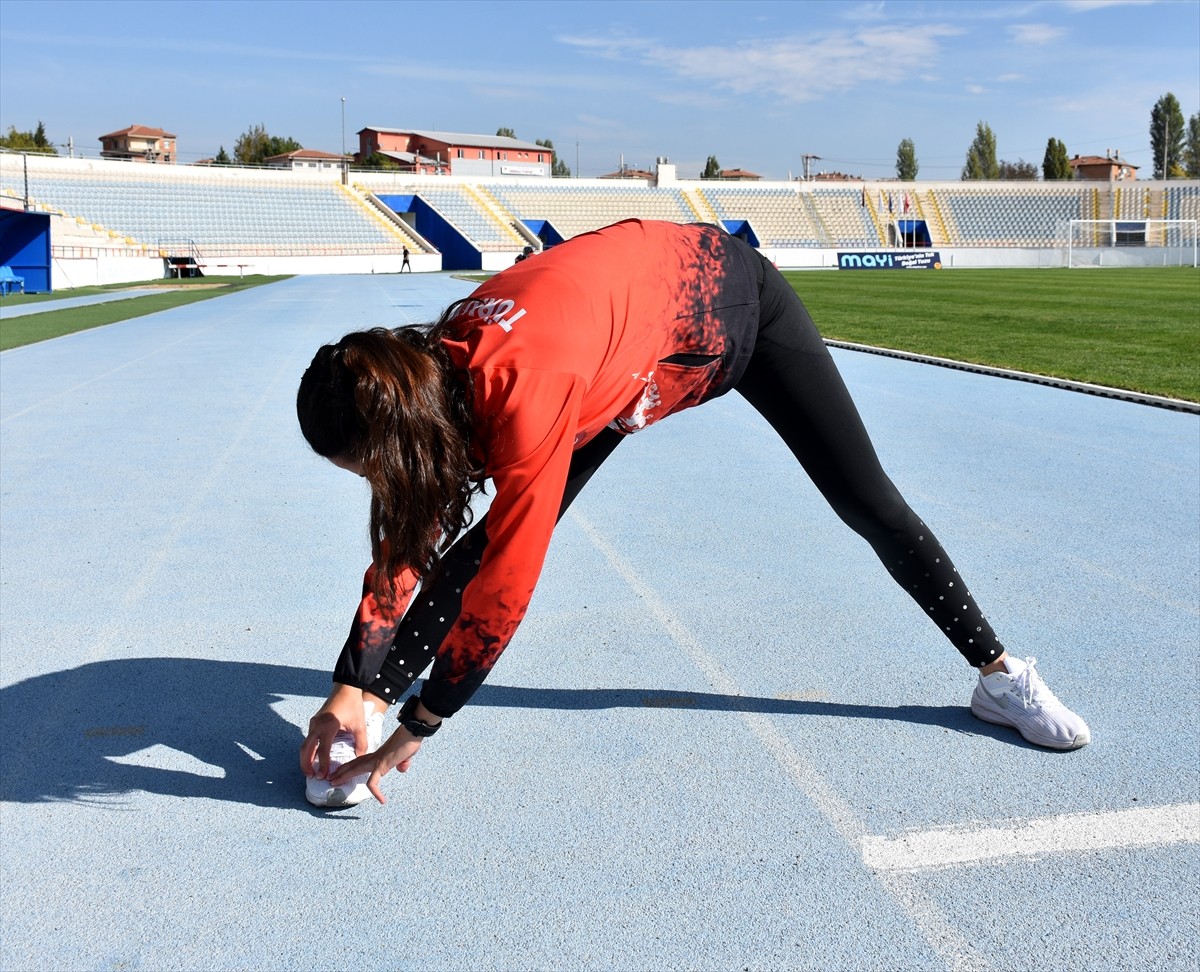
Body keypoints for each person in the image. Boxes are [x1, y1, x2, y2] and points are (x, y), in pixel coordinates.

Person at [296, 219, 1090, 809]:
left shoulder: (522, 396)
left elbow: (507, 587)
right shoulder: (426, 379)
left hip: (735, 306)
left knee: (867, 501)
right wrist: (352, 686)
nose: (370, 481)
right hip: (626, 364)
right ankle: (373, 695)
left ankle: (999, 676)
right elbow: (410, 536)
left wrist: (423, 725)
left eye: (365, 465)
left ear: (397, 433)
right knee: (460, 553)